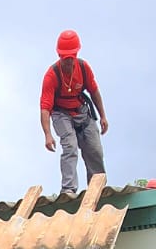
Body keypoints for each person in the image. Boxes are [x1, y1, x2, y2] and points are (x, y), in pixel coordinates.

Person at [40, 29, 109, 196]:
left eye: (71, 57)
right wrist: (47, 135)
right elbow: (45, 108)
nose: (68, 61)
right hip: (61, 114)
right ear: (59, 55)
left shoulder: (84, 68)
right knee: (70, 146)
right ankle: (68, 188)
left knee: (94, 148)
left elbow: (94, 92)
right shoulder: (52, 75)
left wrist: (103, 116)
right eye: (65, 58)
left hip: (82, 111)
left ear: (76, 54)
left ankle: (96, 187)